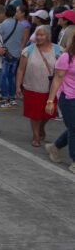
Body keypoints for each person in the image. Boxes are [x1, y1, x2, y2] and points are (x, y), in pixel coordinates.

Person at [16, 26, 62, 147]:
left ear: (48, 36)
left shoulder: (58, 50)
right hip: (32, 87)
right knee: (35, 114)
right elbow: (21, 69)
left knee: (49, 113)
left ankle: (41, 127)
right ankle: (36, 135)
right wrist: (18, 86)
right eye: (37, 34)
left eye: (42, 35)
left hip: (52, 89)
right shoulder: (28, 50)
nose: (39, 37)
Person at [45, 35, 75, 173]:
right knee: (74, 128)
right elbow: (57, 79)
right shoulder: (67, 57)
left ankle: (55, 146)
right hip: (67, 97)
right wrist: (50, 101)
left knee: (73, 127)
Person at [0, 5, 30, 107]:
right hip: (16, 54)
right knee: (12, 76)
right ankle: (12, 97)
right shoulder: (21, 25)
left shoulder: (2, 25)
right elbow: (22, 39)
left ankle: (4, 97)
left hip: (5, 54)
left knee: (4, 76)